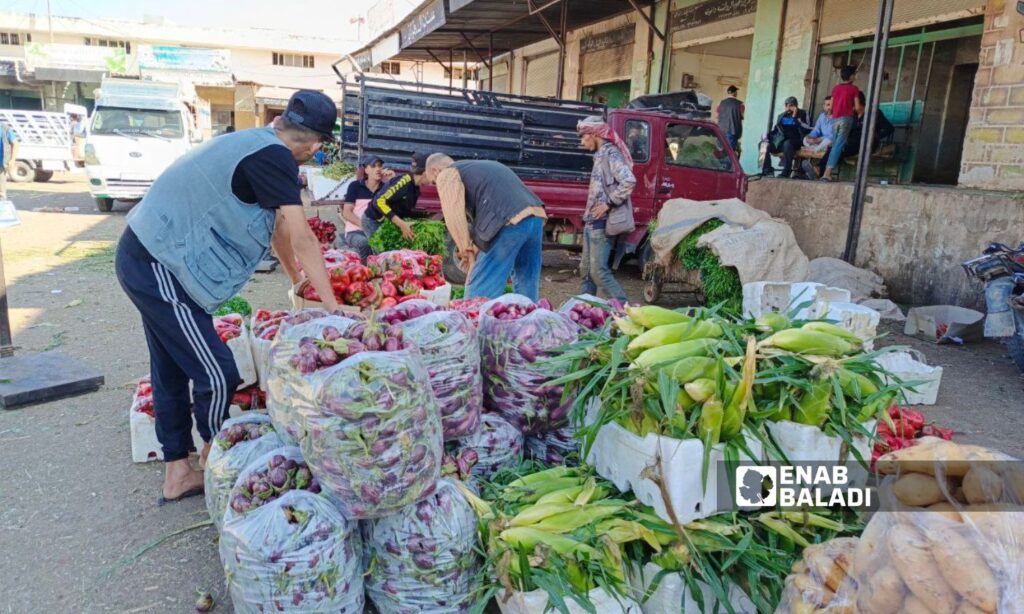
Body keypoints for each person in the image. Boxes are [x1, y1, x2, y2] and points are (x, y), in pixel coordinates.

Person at [115, 90, 340, 504]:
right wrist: (331, 306)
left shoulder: (258, 145)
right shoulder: (275, 158)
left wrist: (297, 283)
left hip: (151, 254)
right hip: (159, 262)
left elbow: (279, 232)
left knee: (169, 368)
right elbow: (304, 236)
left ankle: (177, 474)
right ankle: (217, 460)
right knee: (217, 373)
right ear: (315, 144)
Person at [421, 154, 547, 300]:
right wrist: (475, 247)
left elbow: (453, 213)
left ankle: (475, 319)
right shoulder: (480, 167)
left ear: (435, 170)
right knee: (526, 281)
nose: (435, 185)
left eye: (433, 182)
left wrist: (465, 250)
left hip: (509, 221)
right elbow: (491, 208)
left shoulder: (447, 173)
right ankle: (530, 319)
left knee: (482, 286)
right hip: (535, 217)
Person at [577, 115, 635, 302]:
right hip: (591, 221)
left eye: (583, 136)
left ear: (594, 134)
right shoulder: (600, 154)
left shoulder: (611, 153)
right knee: (586, 271)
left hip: (602, 223)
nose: (582, 142)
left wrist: (609, 203)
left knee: (598, 272)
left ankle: (625, 309)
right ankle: (582, 310)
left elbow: (629, 180)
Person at [811, 91, 895, 179]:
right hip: (852, 142)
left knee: (841, 147)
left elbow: (889, 129)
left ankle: (821, 170)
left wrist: (876, 136)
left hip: (867, 144)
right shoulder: (852, 114)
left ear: (858, 102)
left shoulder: (874, 113)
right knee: (834, 146)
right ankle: (821, 170)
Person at [362, 152, 426, 248]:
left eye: (380, 166)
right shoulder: (404, 181)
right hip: (373, 221)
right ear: (425, 172)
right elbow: (379, 201)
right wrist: (401, 224)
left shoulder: (415, 187)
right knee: (382, 255)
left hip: (386, 220)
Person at [340, 154, 384, 260]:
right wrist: (365, 226)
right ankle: (366, 272)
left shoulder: (385, 189)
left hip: (376, 232)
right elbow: (347, 212)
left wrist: (392, 180)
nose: (378, 169)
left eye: (380, 166)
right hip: (355, 231)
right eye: (373, 166)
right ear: (366, 170)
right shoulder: (355, 186)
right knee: (365, 243)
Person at [822, 65, 860, 181]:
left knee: (835, 145)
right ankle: (827, 174)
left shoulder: (836, 88)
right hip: (846, 119)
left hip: (835, 120)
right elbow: (858, 107)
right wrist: (851, 108)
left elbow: (832, 106)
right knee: (838, 146)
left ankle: (825, 172)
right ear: (852, 76)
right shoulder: (854, 89)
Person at [761, 96, 810, 178]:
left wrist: (795, 117)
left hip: (795, 141)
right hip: (780, 142)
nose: (789, 107)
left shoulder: (803, 113)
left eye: (791, 105)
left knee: (787, 144)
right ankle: (767, 170)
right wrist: (767, 136)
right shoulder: (782, 116)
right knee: (763, 143)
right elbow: (778, 128)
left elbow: (806, 129)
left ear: (796, 106)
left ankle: (786, 172)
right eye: (787, 105)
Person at [717, 85, 744, 152]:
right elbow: (742, 116)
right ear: (734, 93)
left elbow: (717, 114)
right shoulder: (740, 104)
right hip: (733, 131)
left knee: (720, 152)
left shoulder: (722, 103)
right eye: (736, 92)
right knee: (730, 153)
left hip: (721, 130)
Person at [0, 118, 20, 200]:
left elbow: (15, 144)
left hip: (1, 165)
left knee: (1, 193)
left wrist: (12, 160)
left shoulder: (4, 128)